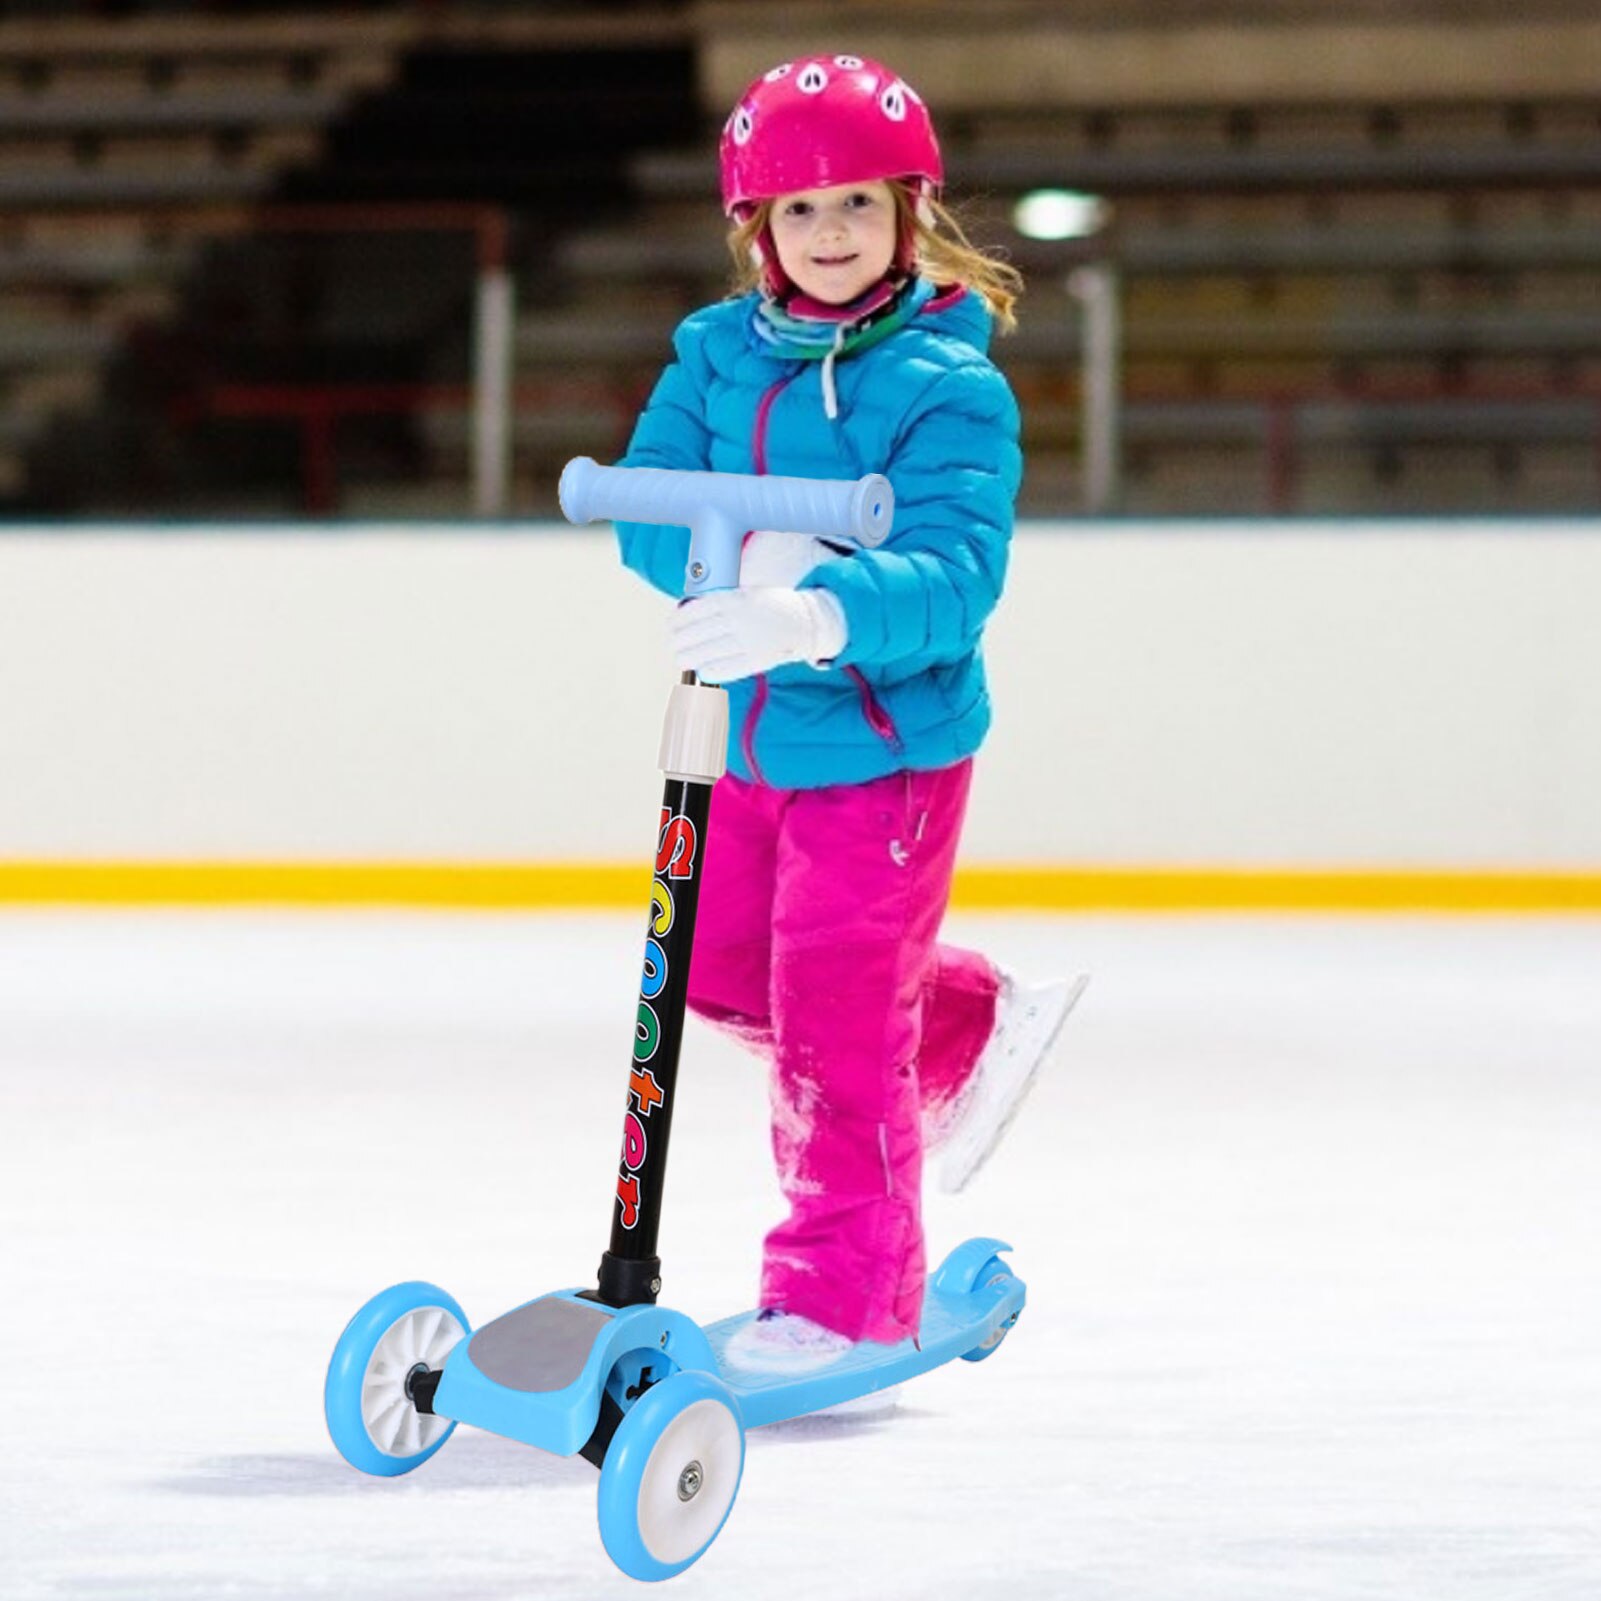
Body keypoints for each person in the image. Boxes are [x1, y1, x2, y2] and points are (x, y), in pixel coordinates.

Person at [613, 54, 1083, 1381]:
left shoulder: (947, 385)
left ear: (906, 215)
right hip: (750, 734)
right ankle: (960, 1021)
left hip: (886, 747)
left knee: (827, 1016)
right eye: (798, 212)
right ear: (753, 230)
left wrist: (815, 608)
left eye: (856, 208)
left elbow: (953, 575)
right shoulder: (712, 357)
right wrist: (721, 571)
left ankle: (844, 1287)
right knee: (710, 971)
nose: (828, 236)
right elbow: (650, 509)